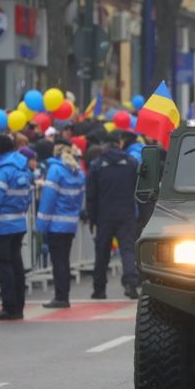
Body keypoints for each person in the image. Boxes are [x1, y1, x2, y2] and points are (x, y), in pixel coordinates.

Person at [0, 135, 33, 320]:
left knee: (5, 267)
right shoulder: (23, 167)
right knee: (17, 265)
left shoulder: (2, 170)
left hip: (3, 225)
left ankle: (9, 307)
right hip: (19, 222)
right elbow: (28, 196)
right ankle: (19, 307)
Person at [87, 131, 140, 300]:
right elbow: (137, 188)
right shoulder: (131, 162)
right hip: (126, 213)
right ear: (119, 143)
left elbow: (91, 195)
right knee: (128, 250)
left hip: (104, 215)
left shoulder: (97, 164)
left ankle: (99, 289)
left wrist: (92, 218)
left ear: (105, 146)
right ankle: (131, 284)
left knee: (102, 253)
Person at [37, 142, 86, 308]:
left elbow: (48, 200)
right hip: (70, 224)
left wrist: (41, 225)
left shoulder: (55, 170)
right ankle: (64, 295)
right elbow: (80, 200)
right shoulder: (78, 172)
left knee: (58, 262)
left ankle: (60, 296)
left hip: (55, 225)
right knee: (64, 261)